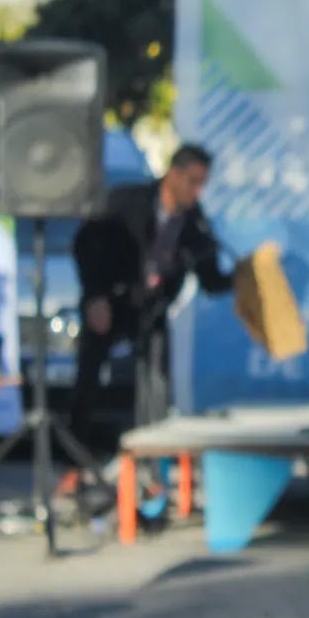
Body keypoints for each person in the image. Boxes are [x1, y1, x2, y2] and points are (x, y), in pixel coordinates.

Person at [71, 144, 235, 451]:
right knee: (89, 377)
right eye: (192, 182)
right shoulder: (126, 200)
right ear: (173, 174)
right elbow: (86, 243)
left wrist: (246, 276)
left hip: (150, 309)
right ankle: (76, 453)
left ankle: (152, 454)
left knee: (157, 380)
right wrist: (94, 295)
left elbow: (210, 279)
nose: (197, 191)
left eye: (202, 184)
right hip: (110, 300)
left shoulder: (195, 223)